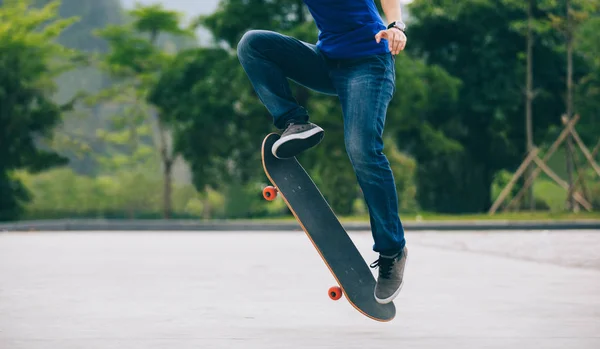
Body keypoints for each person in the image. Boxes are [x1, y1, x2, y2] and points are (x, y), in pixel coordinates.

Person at [237, 0, 408, 304]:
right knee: (253, 44)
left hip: (369, 64)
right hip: (327, 62)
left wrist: (395, 25)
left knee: (362, 150)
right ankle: (294, 122)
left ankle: (392, 250)